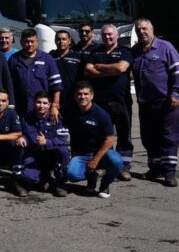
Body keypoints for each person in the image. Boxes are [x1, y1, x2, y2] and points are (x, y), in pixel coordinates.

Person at [131, 18, 179, 187]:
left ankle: (169, 173)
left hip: (167, 102)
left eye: (144, 29)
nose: (141, 32)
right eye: (138, 30)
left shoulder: (166, 47)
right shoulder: (135, 50)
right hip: (145, 103)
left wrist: (175, 93)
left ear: (152, 29)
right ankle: (155, 168)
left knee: (168, 137)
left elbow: (177, 72)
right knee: (149, 137)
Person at [85, 24, 133, 180]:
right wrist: (109, 71)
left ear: (117, 36)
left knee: (124, 135)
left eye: (110, 34)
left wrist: (101, 67)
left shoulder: (125, 51)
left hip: (121, 101)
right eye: (105, 35)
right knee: (104, 135)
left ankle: (124, 167)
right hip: (100, 102)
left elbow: (121, 68)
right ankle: (108, 165)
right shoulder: (95, 52)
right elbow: (89, 71)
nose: (107, 37)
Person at [65, 81, 123, 199]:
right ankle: (92, 176)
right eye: (79, 94)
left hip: (102, 153)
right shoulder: (69, 109)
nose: (82, 97)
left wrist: (95, 161)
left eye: (86, 94)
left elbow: (110, 139)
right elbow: (54, 110)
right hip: (82, 154)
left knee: (116, 161)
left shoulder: (101, 114)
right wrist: (54, 108)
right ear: (75, 96)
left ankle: (105, 184)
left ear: (92, 96)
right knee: (72, 175)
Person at [18, 92, 70, 197]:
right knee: (28, 177)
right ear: (34, 103)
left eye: (45, 103)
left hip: (52, 155)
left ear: (49, 104)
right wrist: (22, 138)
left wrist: (47, 142)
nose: (41, 106)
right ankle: (44, 178)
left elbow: (63, 140)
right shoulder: (26, 118)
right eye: (39, 102)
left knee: (64, 150)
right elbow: (22, 133)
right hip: (35, 156)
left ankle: (59, 183)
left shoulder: (57, 118)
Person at [9, 28, 62, 122]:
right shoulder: (14, 59)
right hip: (20, 109)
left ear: (37, 42)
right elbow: (9, 85)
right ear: (21, 42)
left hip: (42, 109)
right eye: (26, 42)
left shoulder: (47, 59)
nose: (30, 44)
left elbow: (56, 85)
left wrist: (54, 105)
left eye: (32, 41)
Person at [49, 30, 83, 107]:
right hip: (53, 98)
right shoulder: (49, 56)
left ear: (69, 41)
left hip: (73, 98)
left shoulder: (78, 57)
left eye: (64, 39)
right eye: (58, 39)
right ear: (55, 41)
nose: (61, 41)